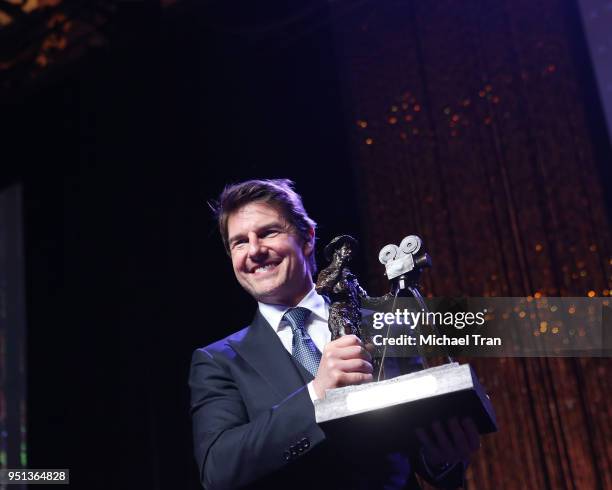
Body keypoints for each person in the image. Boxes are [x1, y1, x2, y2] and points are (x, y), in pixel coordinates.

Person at [189, 178, 480, 489]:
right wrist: (317, 393)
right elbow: (219, 470)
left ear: (308, 238)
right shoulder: (218, 361)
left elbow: (418, 447)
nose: (255, 250)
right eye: (240, 242)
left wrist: (443, 459)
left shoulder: (385, 323)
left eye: (268, 232)